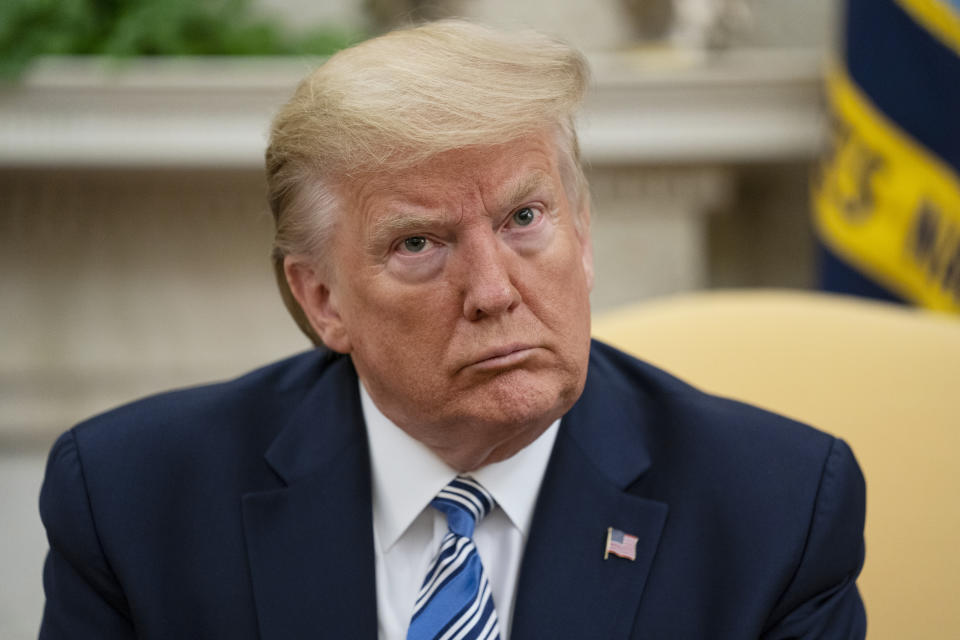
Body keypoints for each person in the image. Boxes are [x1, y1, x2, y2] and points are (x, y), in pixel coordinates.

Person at [38, 20, 866, 640]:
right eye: (419, 243)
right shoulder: (133, 499)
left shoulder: (776, 509)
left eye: (525, 217)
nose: (493, 291)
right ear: (322, 298)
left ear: (583, 232)